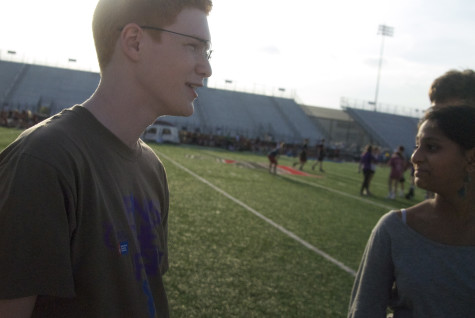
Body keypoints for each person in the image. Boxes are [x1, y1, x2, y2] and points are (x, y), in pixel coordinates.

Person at [0, 0, 213, 317]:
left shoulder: (151, 168)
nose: (206, 68)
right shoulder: (43, 161)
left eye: (206, 53)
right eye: (193, 47)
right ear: (135, 42)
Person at [348, 105, 475, 317]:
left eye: (431, 147)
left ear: (471, 159)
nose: (415, 157)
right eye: (416, 146)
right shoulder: (394, 229)